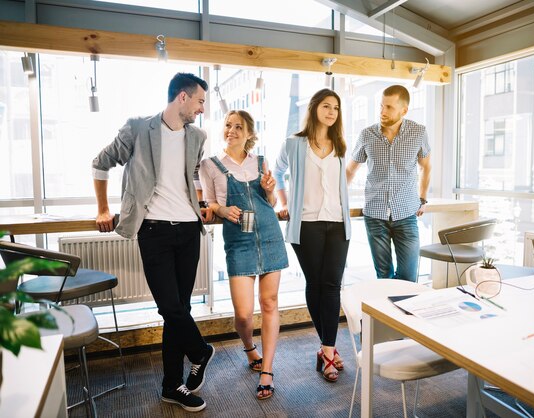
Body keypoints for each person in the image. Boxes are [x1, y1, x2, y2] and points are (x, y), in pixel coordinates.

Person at [92, 72, 214, 413]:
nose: (203, 109)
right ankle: (201, 351)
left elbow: (190, 177)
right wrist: (103, 208)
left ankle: (171, 386)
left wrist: (201, 204)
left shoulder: (197, 136)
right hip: (154, 232)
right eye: (201, 101)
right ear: (183, 98)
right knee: (170, 307)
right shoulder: (137, 128)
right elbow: (101, 163)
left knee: (179, 311)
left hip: (189, 231)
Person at [197, 110, 287, 400]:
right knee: (244, 314)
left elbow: (270, 202)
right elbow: (209, 202)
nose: (231, 130)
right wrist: (221, 210)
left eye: (239, 127)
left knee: (270, 303)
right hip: (239, 241)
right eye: (227, 125)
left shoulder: (260, 162)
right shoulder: (210, 165)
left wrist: (270, 191)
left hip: (270, 235)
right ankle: (249, 347)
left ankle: (267, 370)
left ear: (249, 133)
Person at [274, 89, 351, 383]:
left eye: (336, 107)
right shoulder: (294, 144)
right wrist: (283, 202)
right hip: (305, 224)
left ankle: (327, 349)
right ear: (315, 108)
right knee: (315, 283)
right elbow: (277, 172)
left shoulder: (340, 144)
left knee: (331, 286)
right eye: (326, 106)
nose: (331, 112)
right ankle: (328, 348)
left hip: (338, 223)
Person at [346, 84, 431, 282]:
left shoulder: (418, 132)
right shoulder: (367, 135)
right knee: (383, 277)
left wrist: (423, 199)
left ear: (404, 110)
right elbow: (350, 169)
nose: (382, 111)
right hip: (375, 216)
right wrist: (337, 198)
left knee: (408, 278)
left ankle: (403, 312)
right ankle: (382, 313)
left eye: (389, 107)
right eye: (381, 106)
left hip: (407, 215)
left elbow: (426, 166)